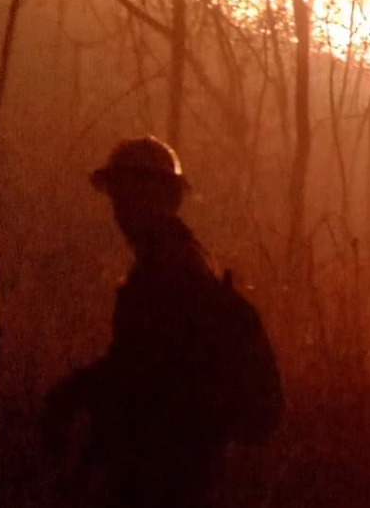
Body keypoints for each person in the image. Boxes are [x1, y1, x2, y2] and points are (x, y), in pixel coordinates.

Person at [43, 137, 282, 508]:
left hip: (164, 467)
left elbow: (143, 368)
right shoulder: (183, 260)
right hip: (176, 463)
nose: (119, 209)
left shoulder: (170, 269)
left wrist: (75, 395)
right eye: (116, 194)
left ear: (160, 197)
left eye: (127, 194)